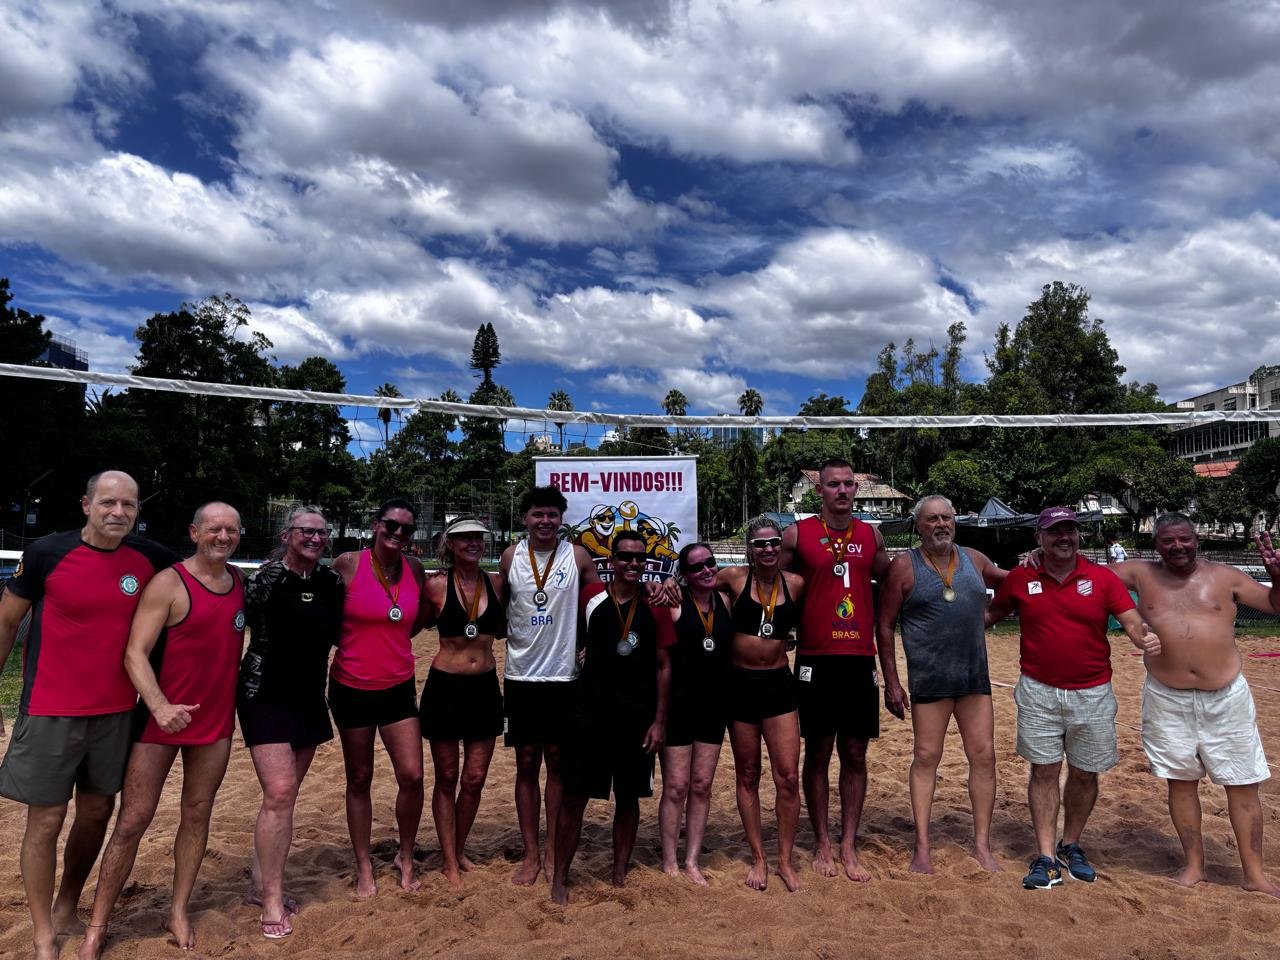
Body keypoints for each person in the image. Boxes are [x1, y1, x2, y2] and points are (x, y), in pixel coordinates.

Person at [0, 472, 174, 960]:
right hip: (50, 709)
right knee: (47, 819)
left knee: (96, 813)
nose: (118, 512)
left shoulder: (151, 559)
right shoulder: (46, 553)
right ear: (86, 504)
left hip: (116, 713)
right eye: (108, 502)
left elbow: (202, 580)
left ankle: (65, 907)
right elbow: (7, 622)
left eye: (128, 505)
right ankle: (42, 935)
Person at [80, 502, 246, 958]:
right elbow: (134, 652)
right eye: (214, 529)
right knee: (133, 820)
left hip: (215, 722)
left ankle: (177, 909)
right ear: (194, 532)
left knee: (197, 814)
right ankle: (97, 924)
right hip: (160, 719)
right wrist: (159, 706)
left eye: (232, 530)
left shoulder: (239, 582)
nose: (223, 537)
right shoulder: (169, 583)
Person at [985, 506, 1160, 891]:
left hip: (1092, 692)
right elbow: (989, 614)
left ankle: (1071, 844)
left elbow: (1131, 621)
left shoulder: (1101, 578)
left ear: (1079, 536)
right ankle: (1046, 856)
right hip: (1038, 691)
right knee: (1044, 771)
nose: (1064, 537)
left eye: (1070, 531)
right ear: (1039, 538)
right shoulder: (1021, 577)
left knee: (1084, 771)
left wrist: (1143, 637)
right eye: (1055, 531)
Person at [1110, 515, 1280, 896]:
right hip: (1167, 696)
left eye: (1184, 539)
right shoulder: (1139, 573)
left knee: (1243, 783)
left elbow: (1274, 603)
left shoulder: (1225, 576)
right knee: (1181, 781)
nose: (1178, 547)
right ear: (1156, 545)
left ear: (1196, 539)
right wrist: (1040, 556)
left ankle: (1254, 874)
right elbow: (1083, 576)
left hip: (1226, 696)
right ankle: (1194, 865)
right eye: (1168, 541)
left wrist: (1278, 576)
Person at [875, 495, 1007, 874]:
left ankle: (982, 846)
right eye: (932, 519)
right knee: (926, 757)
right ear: (918, 526)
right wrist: (892, 682)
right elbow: (884, 625)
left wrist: (992, 615)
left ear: (955, 521)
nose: (941, 525)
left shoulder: (975, 560)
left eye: (946, 517)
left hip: (973, 679)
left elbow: (1014, 584)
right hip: (930, 680)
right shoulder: (905, 566)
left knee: (984, 757)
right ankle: (922, 847)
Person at [780, 458, 890, 881]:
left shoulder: (871, 535)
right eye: (833, 485)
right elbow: (775, 587)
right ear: (819, 491)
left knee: (856, 753)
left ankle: (848, 844)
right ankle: (823, 842)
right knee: (819, 751)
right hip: (815, 657)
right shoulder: (798, 534)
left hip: (859, 657)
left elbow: (894, 577)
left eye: (848, 484)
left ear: (855, 489)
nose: (842, 491)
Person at [237, 506, 344, 938]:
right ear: (287, 535)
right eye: (306, 531)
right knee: (280, 792)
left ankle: (260, 880)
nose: (315, 538)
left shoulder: (331, 583)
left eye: (322, 532)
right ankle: (272, 900)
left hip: (309, 697)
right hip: (263, 693)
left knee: (284, 796)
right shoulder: (263, 581)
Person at [549, 531, 674, 905]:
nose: (633, 563)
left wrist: (659, 722)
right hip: (590, 714)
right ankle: (560, 877)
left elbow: (664, 666)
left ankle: (619, 872)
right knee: (574, 798)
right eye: (625, 557)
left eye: (639, 558)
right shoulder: (590, 597)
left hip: (636, 717)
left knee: (629, 797)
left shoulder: (656, 605)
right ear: (611, 561)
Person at [499, 486, 600, 885]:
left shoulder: (577, 556)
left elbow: (600, 603)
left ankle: (555, 847)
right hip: (521, 675)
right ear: (525, 518)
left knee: (558, 762)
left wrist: (592, 643)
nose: (545, 521)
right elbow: (495, 604)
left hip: (563, 675)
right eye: (537, 514)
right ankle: (530, 853)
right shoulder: (511, 556)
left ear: (561, 519)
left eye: (552, 515)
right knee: (526, 762)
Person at [329, 497, 428, 896]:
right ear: (376, 524)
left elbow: (415, 621)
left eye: (407, 528)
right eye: (391, 525)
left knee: (412, 775)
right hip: (351, 685)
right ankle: (364, 865)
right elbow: (324, 616)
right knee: (359, 777)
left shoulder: (415, 569)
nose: (398, 533)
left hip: (398, 685)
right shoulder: (348, 564)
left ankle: (405, 855)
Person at [419, 515, 507, 890]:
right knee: (447, 778)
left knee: (474, 779)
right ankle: (449, 861)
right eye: (465, 538)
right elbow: (410, 624)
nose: (473, 543)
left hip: (485, 687)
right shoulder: (436, 585)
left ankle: (458, 849)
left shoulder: (497, 583)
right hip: (445, 688)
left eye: (478, 538)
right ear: (451, 544)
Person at [721, 517, 807, 892]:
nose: (768, 549)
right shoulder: (733, 578)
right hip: (739, 684)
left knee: (787, 777)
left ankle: (785, 860)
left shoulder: (795, 584)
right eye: (760, 544)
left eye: (773, 543)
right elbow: (692, 583)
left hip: (778, 685)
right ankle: (759, 857)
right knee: (748, 774)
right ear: (750, 549)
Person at [658, 542, 732, 884]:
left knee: (701, 785)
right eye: (696, 567)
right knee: (676, 786)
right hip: (678, 706)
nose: (706, 570)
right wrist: (662, 582)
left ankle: (691, 861)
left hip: (713, 707)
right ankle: (669, 861)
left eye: (710, 563)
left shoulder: (725, 602)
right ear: (684, 575)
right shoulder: (674, 602)